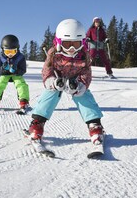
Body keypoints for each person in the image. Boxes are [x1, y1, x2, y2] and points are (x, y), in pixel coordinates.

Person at [27, 18, 104, 146]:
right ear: (58, 42)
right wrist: (52, 81)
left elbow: (87, 73)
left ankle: (94, 123)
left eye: (77, 44)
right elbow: (47, 70)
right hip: (58, 80)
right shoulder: (53, 53)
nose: (72, 48)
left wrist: (81, 85)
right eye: (68, 44)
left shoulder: (84, 55)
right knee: (50, 93)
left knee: (83, 95)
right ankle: (37, 122)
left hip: (75, 81)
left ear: (83, 43)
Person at [0, 34, 30, 113]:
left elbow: (23, 70)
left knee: (21, 84)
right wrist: (4, 68)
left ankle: (23, 101)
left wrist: (15, 70)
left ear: (17, 49)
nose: (10, 54)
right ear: (2, 49)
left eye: (13, 51)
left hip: (16, 74)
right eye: (7, 51)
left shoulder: (21, 57)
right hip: (5, 74)